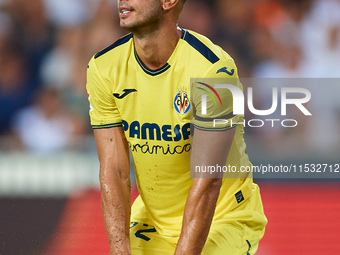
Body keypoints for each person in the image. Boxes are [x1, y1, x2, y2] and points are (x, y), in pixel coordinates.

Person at [86, 0, 267, 254]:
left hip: (223, 217)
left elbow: (208, 181)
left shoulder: (213, 70)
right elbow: (114, 171)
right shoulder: (103, 68)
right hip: (153, 223)